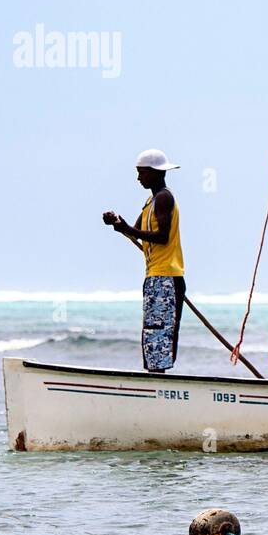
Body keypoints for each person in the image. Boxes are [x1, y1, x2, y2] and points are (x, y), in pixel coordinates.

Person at [102, 149, 186, 372]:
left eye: (142, 173)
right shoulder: (151, 201)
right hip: (155, 277)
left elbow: (163, 236)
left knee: (160, 336)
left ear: (155, 172)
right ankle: (154, 383)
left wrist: (127, 228)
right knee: (152, 334)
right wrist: (118, 224)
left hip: (167, 277)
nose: (139, 178)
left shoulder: (164, 198)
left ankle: (159, 388)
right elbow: (135, 232)